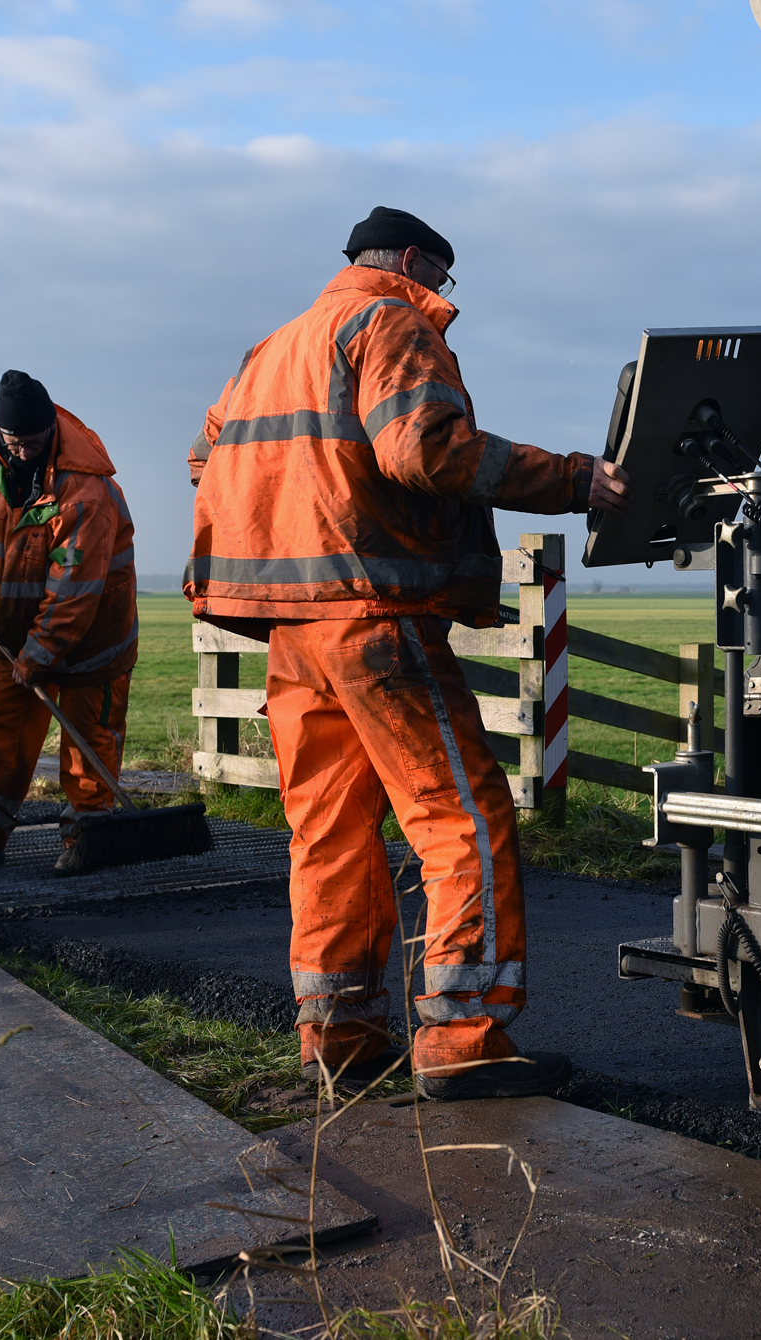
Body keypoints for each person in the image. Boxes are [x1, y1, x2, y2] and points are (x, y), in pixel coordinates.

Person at [186, 206, 629, 1100]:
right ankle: (464, 1038)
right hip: (375, 614)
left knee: (330, 833)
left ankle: (340, 1039)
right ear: (419, 266)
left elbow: (207, 463)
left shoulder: (268, 352)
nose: (441, 299)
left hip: (290, 631)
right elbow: (426, 450)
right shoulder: (389, 322)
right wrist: (577, 479)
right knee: (459, 820)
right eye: (442, 283)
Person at [0, 371, 139, 874]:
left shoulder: (83, 488)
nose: (21, 451)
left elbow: (75, 588)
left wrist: (39, 655)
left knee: (88, 739)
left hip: (94, 637)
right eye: (12, 441)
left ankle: (88, 836)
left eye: (31, 442)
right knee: (0, 731)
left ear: (50, 429)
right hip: (16, 633)